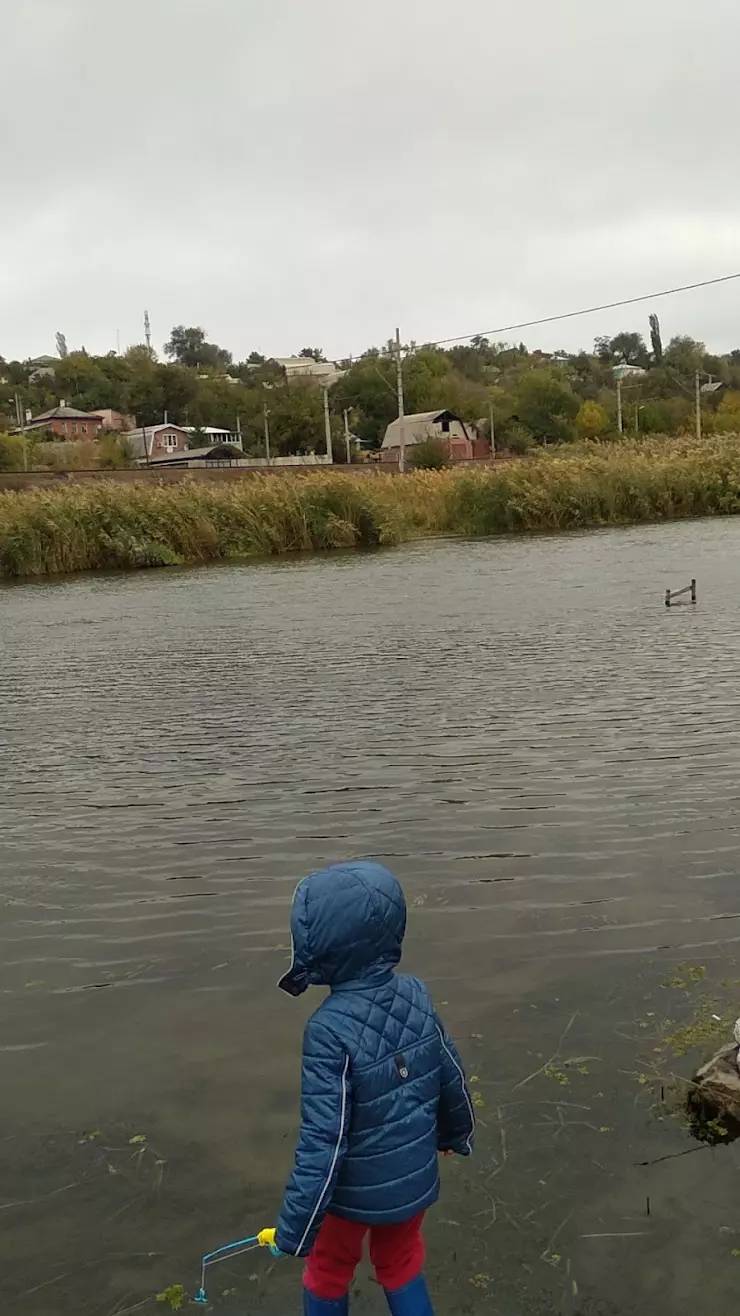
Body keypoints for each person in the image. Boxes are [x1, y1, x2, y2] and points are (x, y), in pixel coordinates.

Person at [268, 860, 475, 1316]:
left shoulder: (327, 1030)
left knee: (327, 1269)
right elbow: (451, 1074)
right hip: (414, 1179)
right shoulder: (417, 994)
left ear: (320, 945)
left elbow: (326, 1138)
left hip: (351, 1196)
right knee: (400, 1264)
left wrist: (297, 1228)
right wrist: (454, 1134)